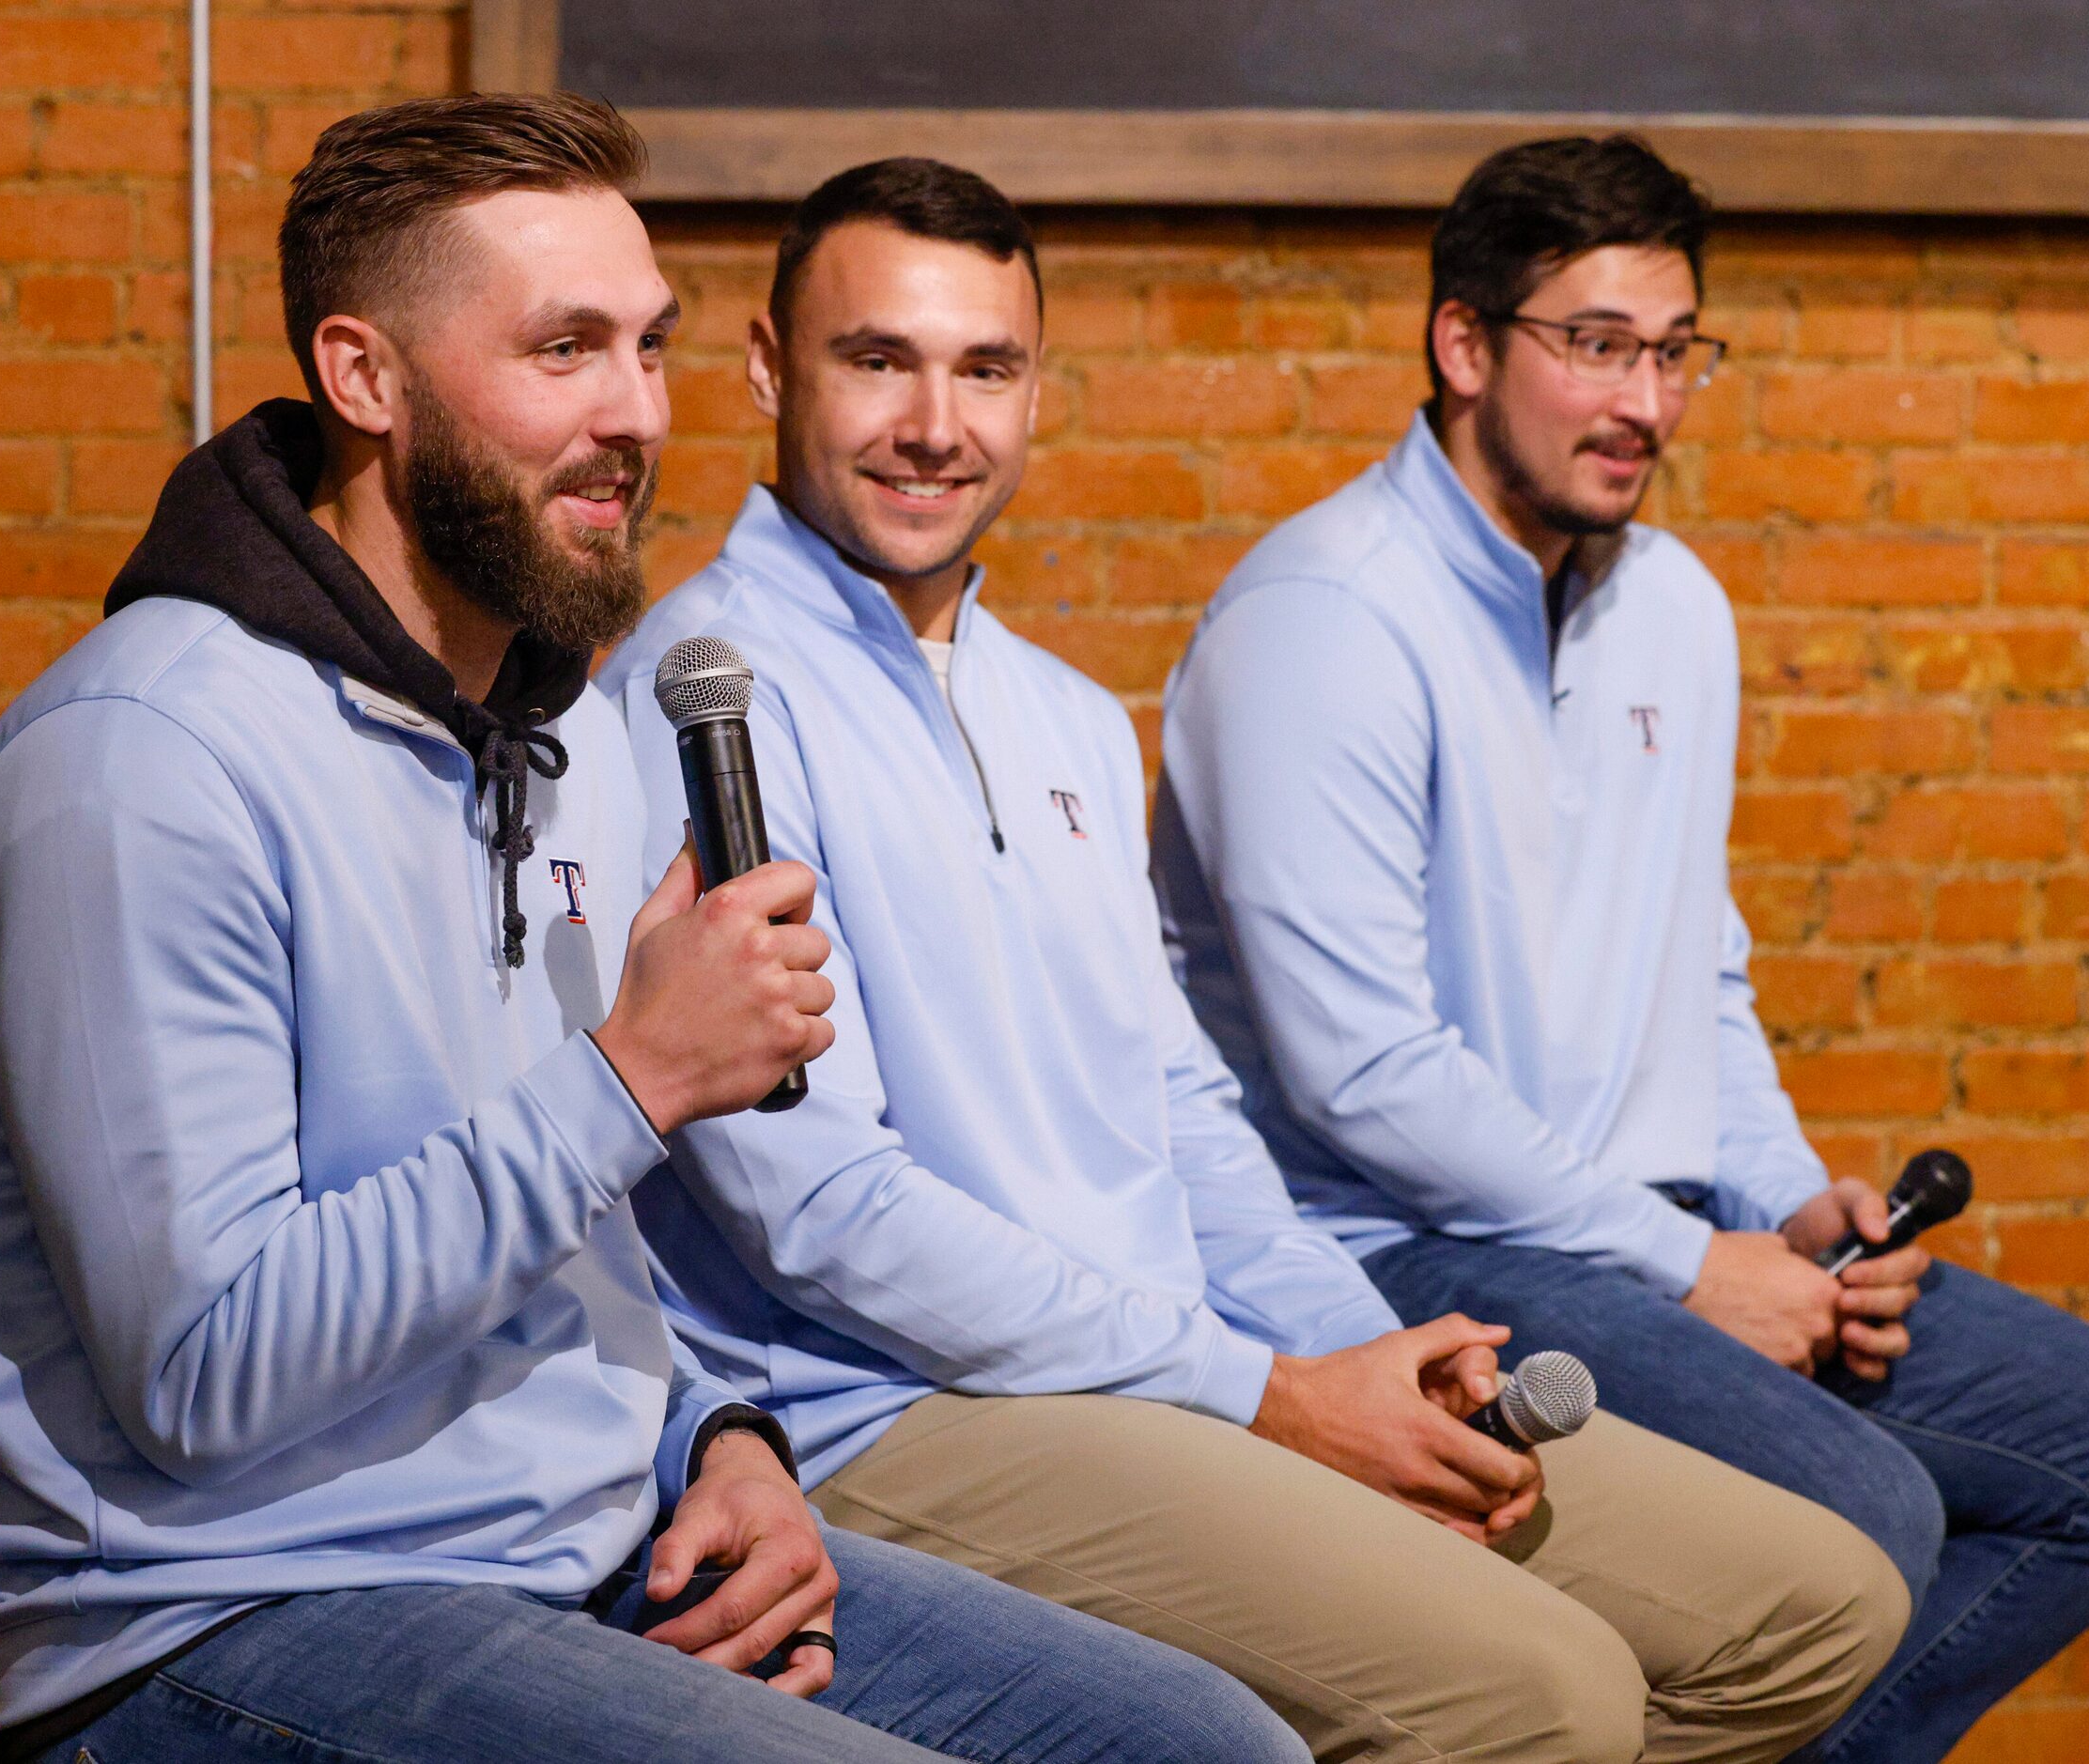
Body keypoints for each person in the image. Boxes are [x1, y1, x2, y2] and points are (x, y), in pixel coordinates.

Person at [0, 94, 1305, 1764]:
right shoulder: (134, 770)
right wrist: (632, 1077)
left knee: (1207, 1743)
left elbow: (576, 1254)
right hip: (228, 1619)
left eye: (648, 347)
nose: (637, 412)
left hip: (561, 1549)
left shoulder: (545, 737)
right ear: (365, 378)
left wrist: (722, 1441)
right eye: (563, 349)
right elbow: (206, 1375)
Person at [602, 155, 1908, 1764]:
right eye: (879, 360)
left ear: (1034, 393)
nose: (935, 422)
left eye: (986, 368)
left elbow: (1183, 1115)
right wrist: (1268, 1392)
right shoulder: (702, 697)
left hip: (1168, 1361)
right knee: (1542, 1696)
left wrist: (1357, 1350)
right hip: (899, 1406)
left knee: (1818, 1602)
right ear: (766, 370)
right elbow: (826, 1215)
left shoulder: (1067, 712)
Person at [1153, 133, 2089, 1763]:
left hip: (1646, 1233)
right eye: (1595, 344)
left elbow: (1692, 966)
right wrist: (1695, 1268)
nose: (1643, 400)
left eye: (1675, 351)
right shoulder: (1320, 618)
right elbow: (1361, 1077)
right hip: (1409, 1250)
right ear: (1463, 345)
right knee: (1870, 1508)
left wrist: (1789, 1205)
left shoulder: (1679, 606)